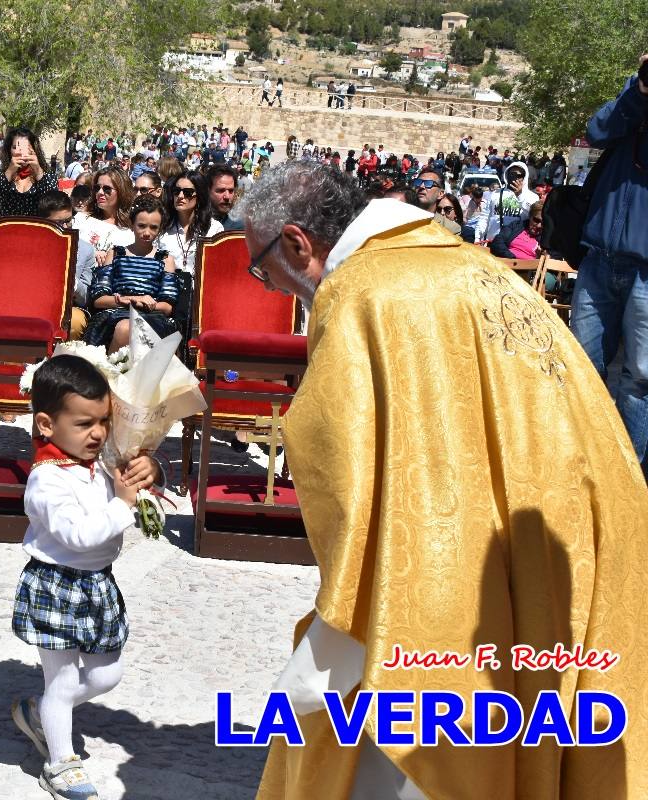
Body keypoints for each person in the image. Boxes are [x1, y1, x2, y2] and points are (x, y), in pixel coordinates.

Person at [236, 161, 648, 799]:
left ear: (297, 243)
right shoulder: (483, 270)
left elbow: (337, 469)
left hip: (448, 576)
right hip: (570, 539)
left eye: (264, 270)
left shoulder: (360, 296)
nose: (275, 287)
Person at [9, 354, 162, 800]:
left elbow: (137, 468)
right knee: (60, 683)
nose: (97, 433)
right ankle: (59, 763)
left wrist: (150, 469)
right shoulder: (46, 482)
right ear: (46, 424)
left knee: (106, 675)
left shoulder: (95, 457)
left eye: (103, 421)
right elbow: (78, 535)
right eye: (83, 424)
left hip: (97, 584)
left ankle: (41, 711)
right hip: (56, 584)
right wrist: (124, 503)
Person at [570, 53, 648, 473]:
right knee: (582, 367)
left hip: (647, 271)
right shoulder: (633, 92)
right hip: (600, 256)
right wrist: (639, 92)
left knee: (640, 381)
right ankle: (583, 469)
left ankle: (627, 482)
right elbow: (597, 130)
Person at [84, 197, 178, 352]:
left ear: (160, 229)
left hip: (152, 315)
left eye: (153, 228)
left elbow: (167, 306)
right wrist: (132, 300)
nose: (147, 233)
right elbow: (99, 300)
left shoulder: (165, 259)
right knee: (125, 327)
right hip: (114, 313)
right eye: (141, 226)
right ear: (132, 225)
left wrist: (142, 304)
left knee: (127, 327)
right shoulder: (115, 254)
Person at [38, 191, 94, 340]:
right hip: (34, 302)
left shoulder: (85, 250)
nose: (64, 227)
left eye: (68, 220)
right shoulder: (32, 245)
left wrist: (71, 280)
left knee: (75, 321)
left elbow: (86, 298)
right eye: (58, 223)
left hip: (68, 307)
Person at [158, 170, 222, 274]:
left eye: (188, 192)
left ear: (199, 196)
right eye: (176, 191)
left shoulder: (214, 228)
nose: (180, 196)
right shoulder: (163, 225)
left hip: (200, 288)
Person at [0, 127, 58, 218]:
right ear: (9, 150)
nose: (20, 152)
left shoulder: (47, 175)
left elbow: (52, 203)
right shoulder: (2, 175)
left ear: (34, 149)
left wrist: (37, 170)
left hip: (35, 228)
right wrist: (10, 171)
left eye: (24, 147)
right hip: (8, 228)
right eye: (15, 147)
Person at [74, 166, 134, 256]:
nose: (100, 192)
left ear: (122, 191)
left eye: (107, 189)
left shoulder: (133, 229)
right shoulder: (80, 220)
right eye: (97, 188)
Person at [475, 162, 537, 243]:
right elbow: (485, 217)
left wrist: (519, 195)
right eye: (512, 174)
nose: (516, 178)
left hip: (516, 245)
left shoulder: (532, 197)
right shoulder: (495, 194)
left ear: (525, 177)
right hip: (493, 242)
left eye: (519, 175)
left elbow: (532, 217)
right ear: (507, 175)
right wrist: (477, 237)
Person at [410, 168, 460, 235]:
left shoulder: (450, 229)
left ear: (440, 194)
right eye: (418, 182)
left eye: (428, 183)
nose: (421, 186)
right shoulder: (400, 217)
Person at [207, 163, 242, 231]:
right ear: (208, 191)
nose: (227, 197)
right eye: (221, 190)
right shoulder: (195, 222)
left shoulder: (239, 227)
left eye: (231, 191)